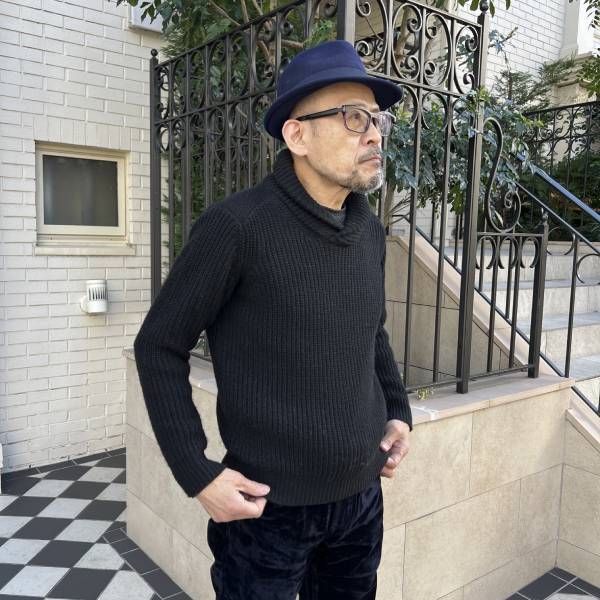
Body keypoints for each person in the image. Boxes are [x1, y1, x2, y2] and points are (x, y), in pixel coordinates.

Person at [133, 39, 413, 600]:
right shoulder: (237, 227)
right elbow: (159, 345)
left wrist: (397, 412)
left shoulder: (368, 231)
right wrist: (198, 473)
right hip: (266, 514)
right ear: (297, 135)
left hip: (361, 503)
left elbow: (372, 331)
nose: (374, 134)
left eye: (377, 118)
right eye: (353, 117)